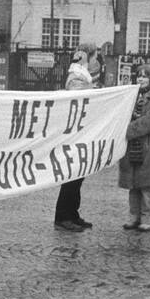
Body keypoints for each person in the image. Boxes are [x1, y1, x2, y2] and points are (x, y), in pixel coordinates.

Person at [53, 45, 98, 231]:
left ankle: (73, 213)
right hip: (75, 133)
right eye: (96, 58)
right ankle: (63, 216)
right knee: (72, 176)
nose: (97, 62)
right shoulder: (77, 78)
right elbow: (79, 99)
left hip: (82, 132)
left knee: (79, 176)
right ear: (89, 58)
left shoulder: (83, 76)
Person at [119, 64, 150, 232]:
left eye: (145, 76)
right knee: (133, 184)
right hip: (133, 146)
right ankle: (134, 216)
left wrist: (128, 130)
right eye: (139, 75)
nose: (140, 79)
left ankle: (148, 218)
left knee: (147, 185)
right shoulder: (133, 96)